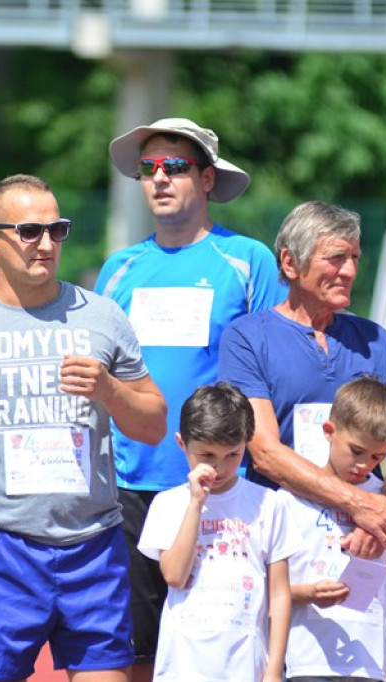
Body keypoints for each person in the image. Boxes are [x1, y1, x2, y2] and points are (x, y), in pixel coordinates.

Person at [0, 174, 167, 682]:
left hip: (94, 546)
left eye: (56, 230)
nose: (46, 244)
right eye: (29, 231)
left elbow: (153, 424)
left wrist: (110, 390)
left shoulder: (103, 317)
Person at [96, 117, 287, 678]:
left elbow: (271, 365)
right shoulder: (120, 268)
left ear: (207, 179)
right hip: (132, 483)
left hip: (223, 484)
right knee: (136, 651)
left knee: (224, 640)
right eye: (148, 168)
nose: (159, 178)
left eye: (174, 167)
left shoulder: (248, 261)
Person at [217, 201, 386, 559]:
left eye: (355, 258)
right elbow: (264, 452)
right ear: (289, 263)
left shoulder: (374, 339)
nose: (350, 271)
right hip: (280, 542)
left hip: (365, 544)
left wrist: (380, 519)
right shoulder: (247, 337)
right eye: (336, 258)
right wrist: (360, 504)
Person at [137, 381, 297, 682]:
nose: (219, 467)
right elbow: (174, 575)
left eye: (232, 455)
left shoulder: (269, 503)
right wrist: (196, 504)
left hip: (245, 664)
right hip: (183, 666)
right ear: (182, 443)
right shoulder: (168, 504)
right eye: (207, 455)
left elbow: (279, 594)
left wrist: (274, 669)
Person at [281, 377, 386, 682]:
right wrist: (308, 593)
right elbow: (271, 590)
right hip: (306, 661)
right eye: (356, 451)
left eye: (378, 457)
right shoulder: (288, 500)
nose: (364, 465)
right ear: (328, 431)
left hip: (369, 664)